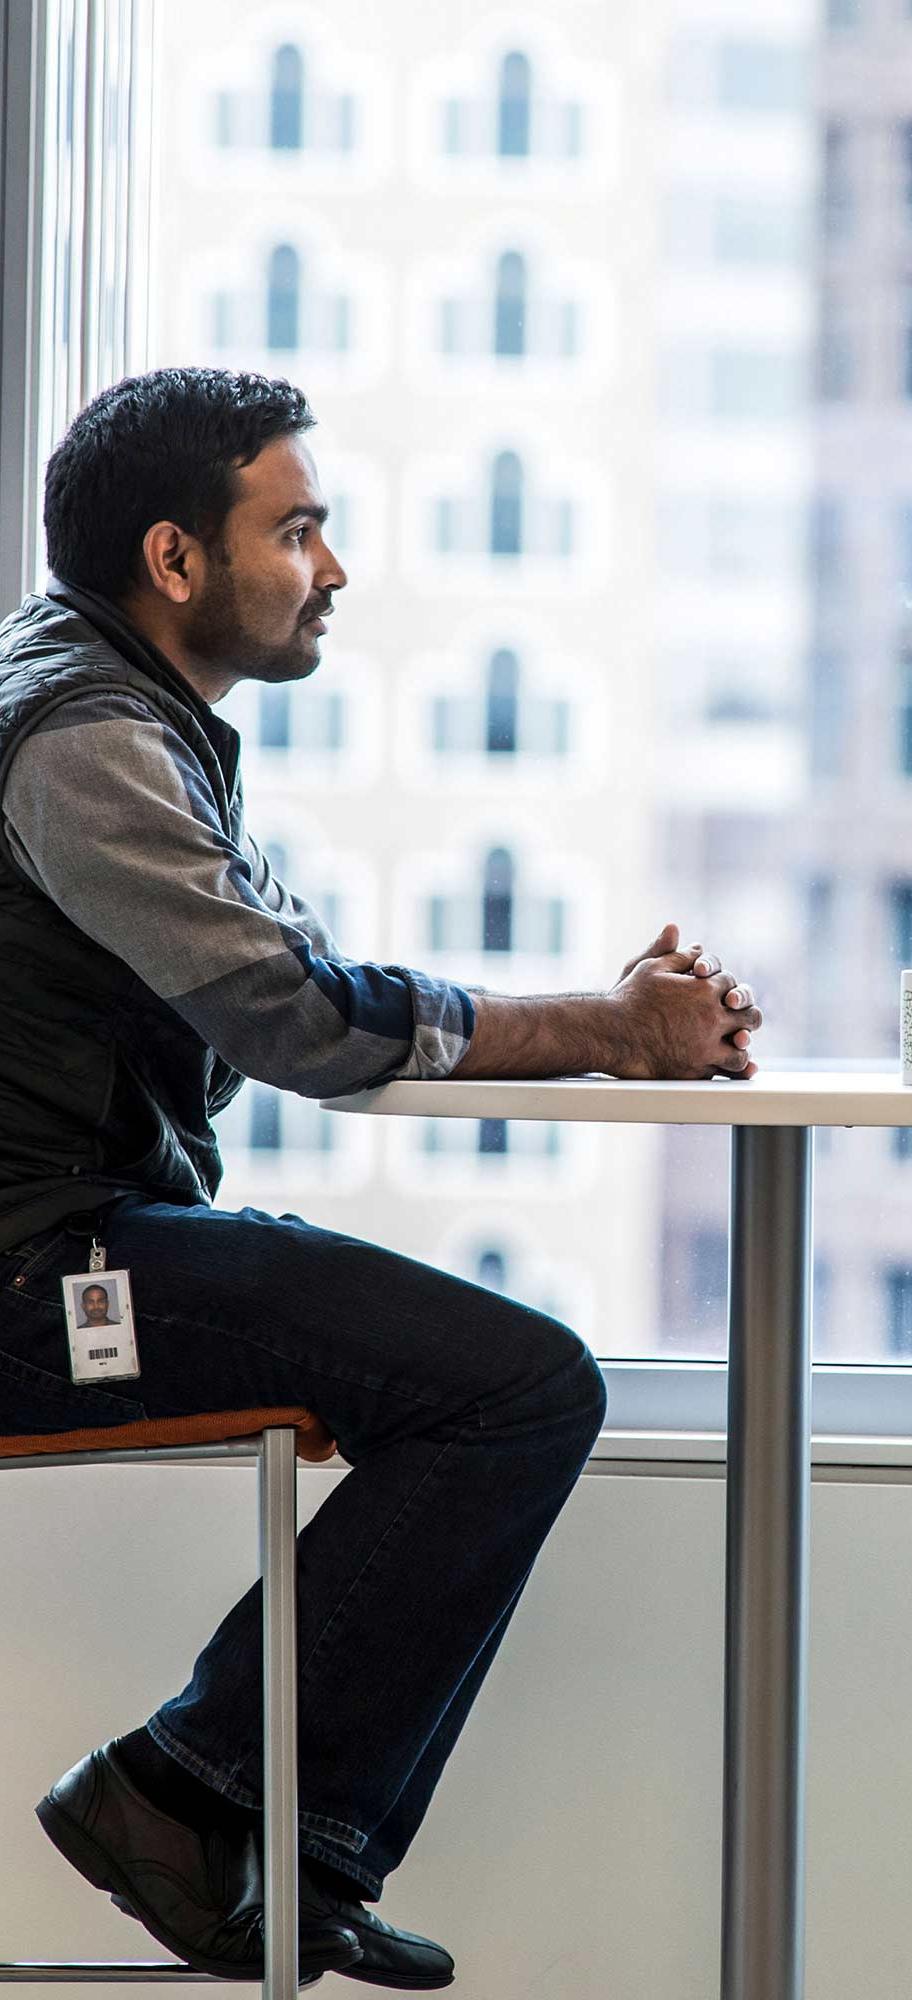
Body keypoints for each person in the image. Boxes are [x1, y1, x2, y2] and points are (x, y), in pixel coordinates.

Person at [0, 367, 765, 1988]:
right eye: (298, 528)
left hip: (75, 1241)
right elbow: (295, 1016)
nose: (332, 567)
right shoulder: (84, 743)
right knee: (517, 1386)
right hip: (34, 1278)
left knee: (504, 1382)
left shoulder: (126, 716)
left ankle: (249, 1825)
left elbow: (297, 984)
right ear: (176, 559)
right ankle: (196, 1801)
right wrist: (609, 1031)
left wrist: (603, 1019)